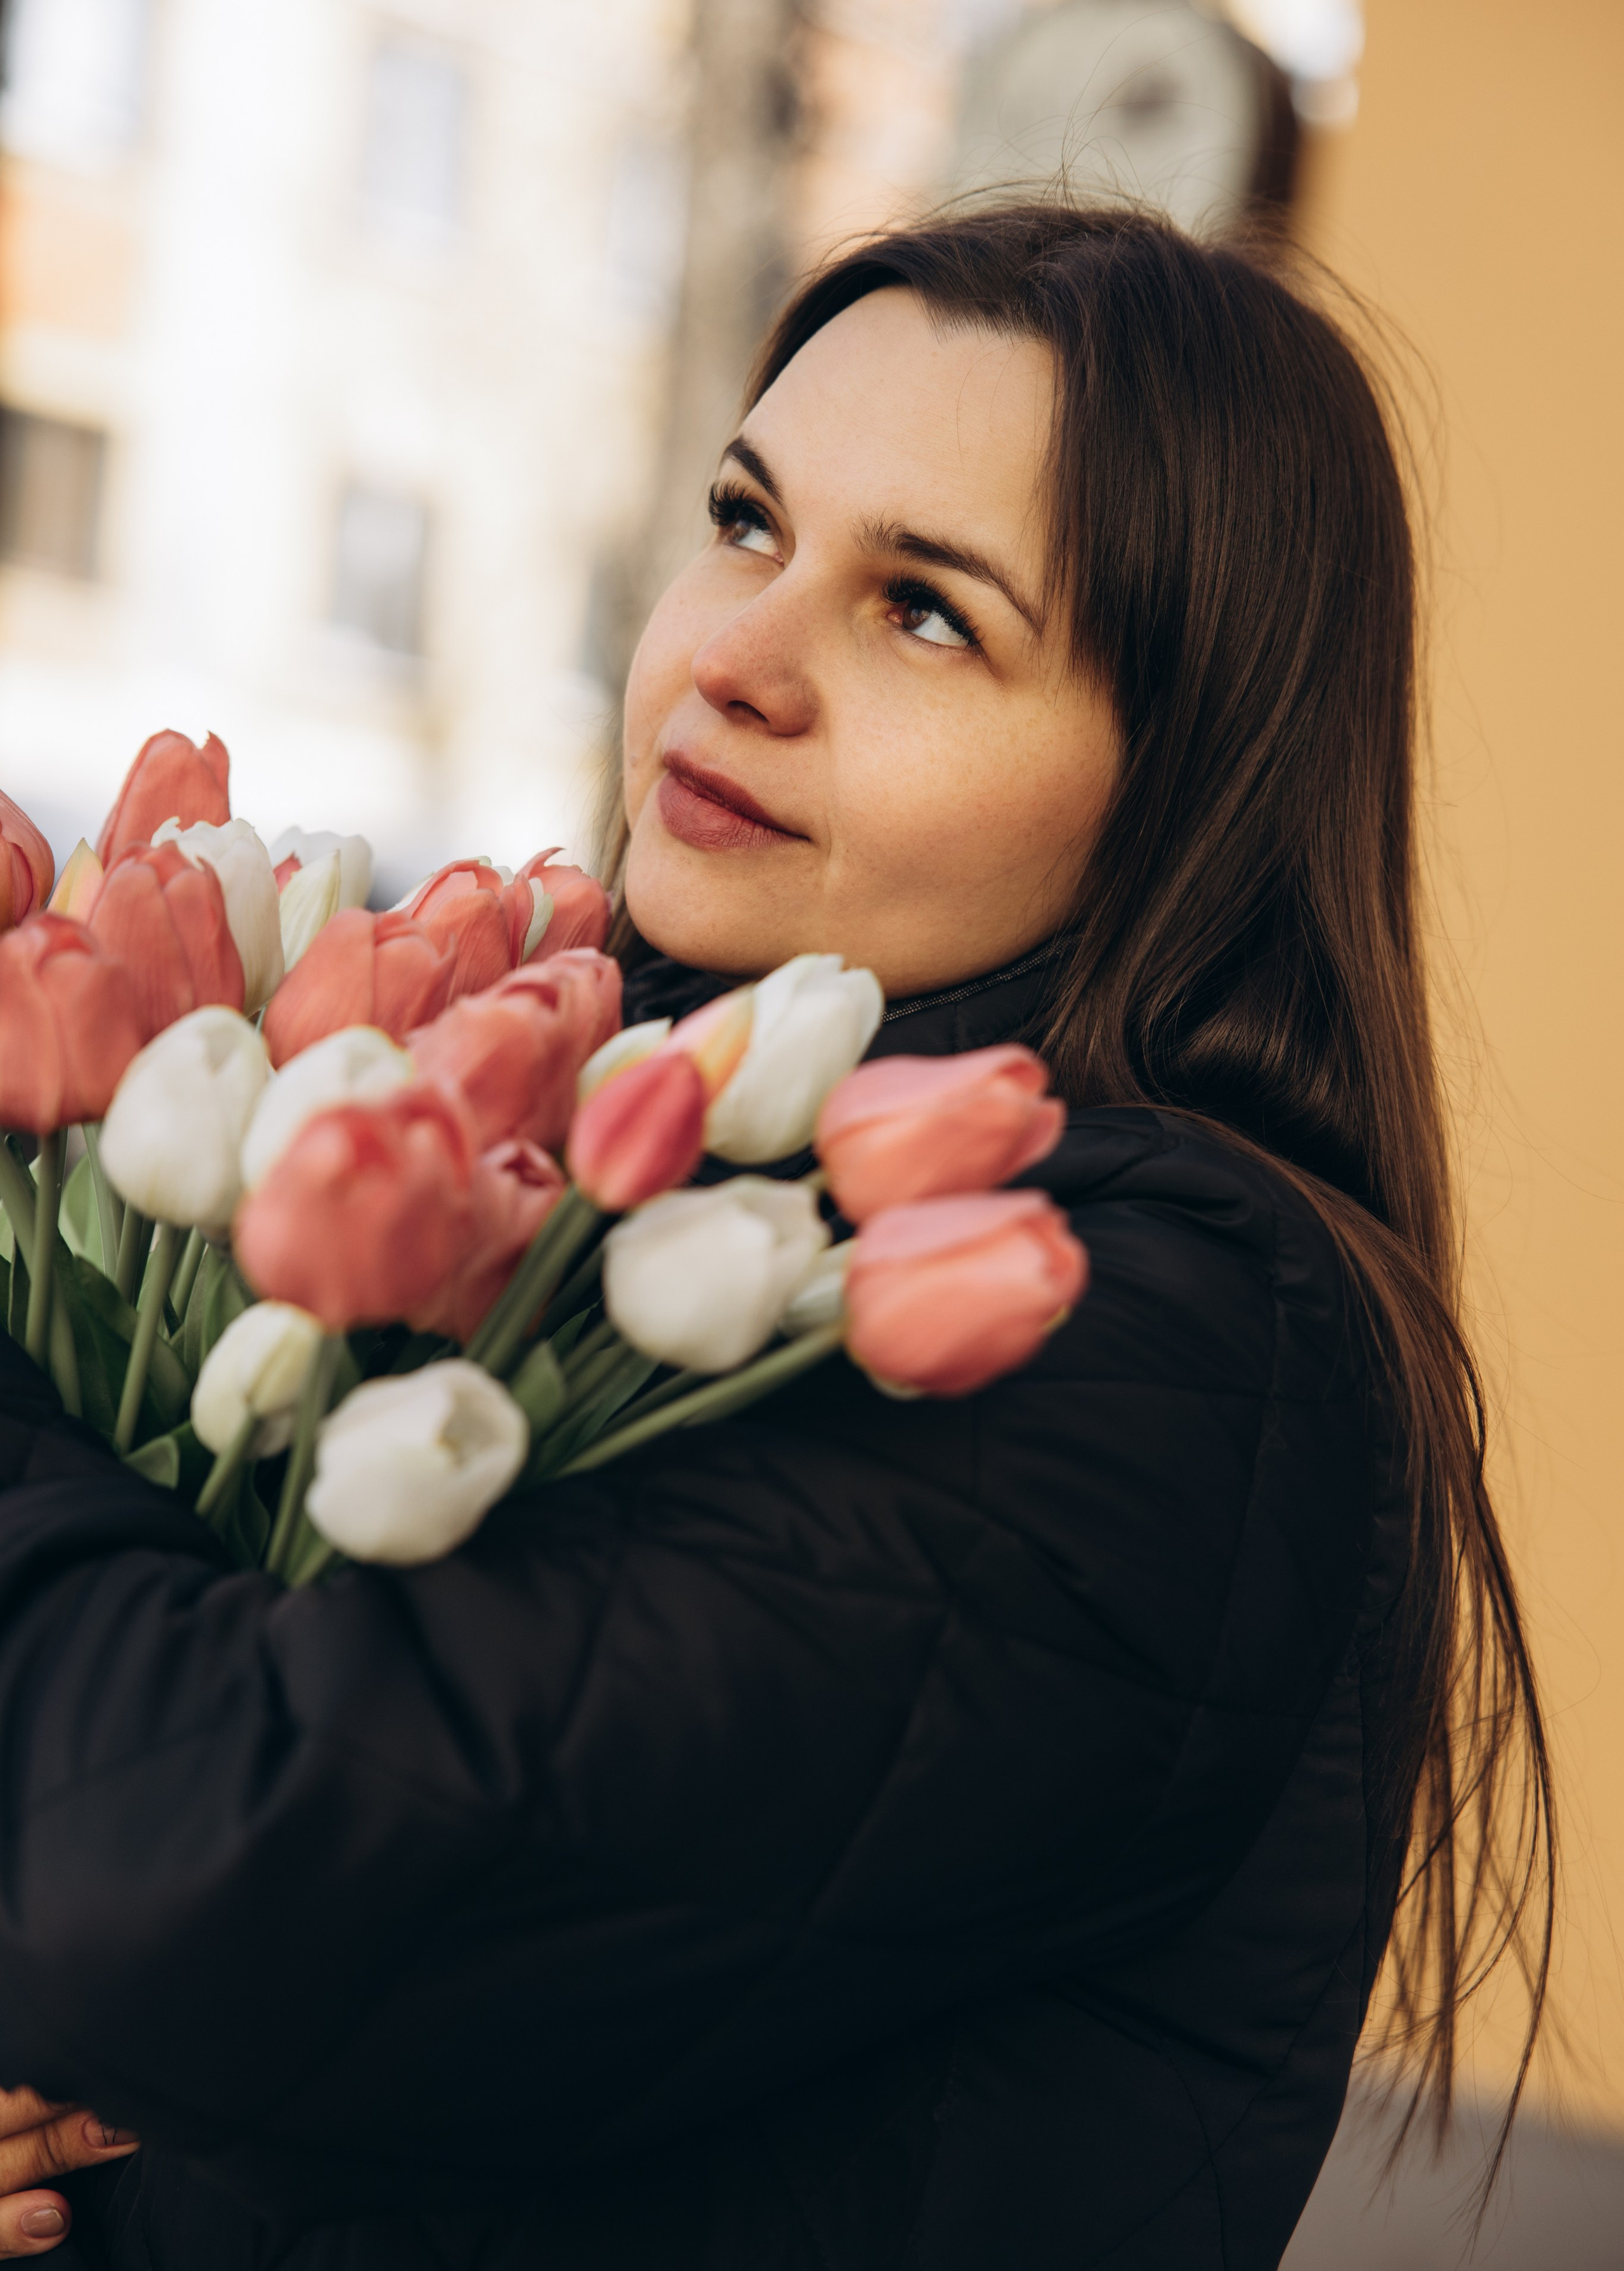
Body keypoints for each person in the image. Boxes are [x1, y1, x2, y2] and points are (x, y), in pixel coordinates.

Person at [0, 204, 1550, 2270]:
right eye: (748, 521)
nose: (734, 656)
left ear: (1182, 783)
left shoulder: (1155, 1316)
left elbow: (238, 1872)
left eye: (928, 614)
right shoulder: (608, 1153)